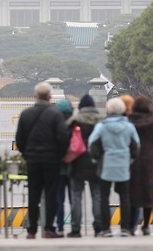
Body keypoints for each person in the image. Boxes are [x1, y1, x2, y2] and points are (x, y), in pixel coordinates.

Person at [16, 82, 70, 239]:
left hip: (32, 159)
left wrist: (26, 153)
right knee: (51, 194)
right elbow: (63, 138)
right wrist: (59, 154)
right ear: (49, 97)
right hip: (52, 160)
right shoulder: (55, 115)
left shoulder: (25, 114)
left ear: (35, 96)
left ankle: (31, 230)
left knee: (33, 194)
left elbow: (19, 140)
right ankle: (48, 229)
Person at [88, 97, 140, 237]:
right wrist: (130, 159)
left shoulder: (102, 126)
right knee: (125, 197)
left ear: (108, 110)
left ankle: (106, 229)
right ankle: (125, 228)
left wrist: (96, 159)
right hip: (123, 164)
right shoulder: (129, 126)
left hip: (106, 164)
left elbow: (92, 143)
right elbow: (136, 145)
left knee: (104, 197)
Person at [66, 94, 104, 238]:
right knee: (97, 195)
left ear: (80, 107)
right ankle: (99, 228)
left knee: (76, 196)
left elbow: (65, 139)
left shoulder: (74, 121)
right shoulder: (101, 120)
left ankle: (76, 228)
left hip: (77, 163)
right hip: (96, 162)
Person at [128, 96, 153, 236]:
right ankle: (146, 226)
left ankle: (131, 226)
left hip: (132, 162)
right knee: (149, 195)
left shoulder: (129, 123)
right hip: (150, 163)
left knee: (133, 194)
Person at [54, 99, 73, 235]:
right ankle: (75, 226)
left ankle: (60, 227)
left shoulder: (54, 125)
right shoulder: (75, 124)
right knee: (75, 199)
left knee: (59, 199)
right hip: (73, 167)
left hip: (58, 168)